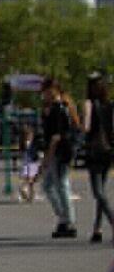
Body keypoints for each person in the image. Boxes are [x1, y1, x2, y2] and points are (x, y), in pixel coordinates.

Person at [36, 78, 80, 238]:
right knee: (48, 185)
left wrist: (47, 157)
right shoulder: (51, 108)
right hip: (56, 150)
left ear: (54, 91)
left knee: (61, 185)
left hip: (61, 151)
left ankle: (68, 221)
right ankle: (63, 217)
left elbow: (56, 136)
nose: (44, 95)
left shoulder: (60, 108)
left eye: (47, 91)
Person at [83, 74, 114, 242]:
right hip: (108, 151)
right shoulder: (109, 105)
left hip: (94, 151)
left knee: (98, 193)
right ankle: (97, 228)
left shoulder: (89, 103)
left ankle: (111, 220)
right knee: (101, 190)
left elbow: (86, 127)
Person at [17, 124, 40, 203]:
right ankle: (24, 190)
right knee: (30, 180)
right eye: (29, 135)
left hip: (30, 163)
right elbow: (32, 153)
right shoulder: (28, 144)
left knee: (31, 181)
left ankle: (31, 195)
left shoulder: (29, 143)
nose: (31, 136)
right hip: (30, 163)